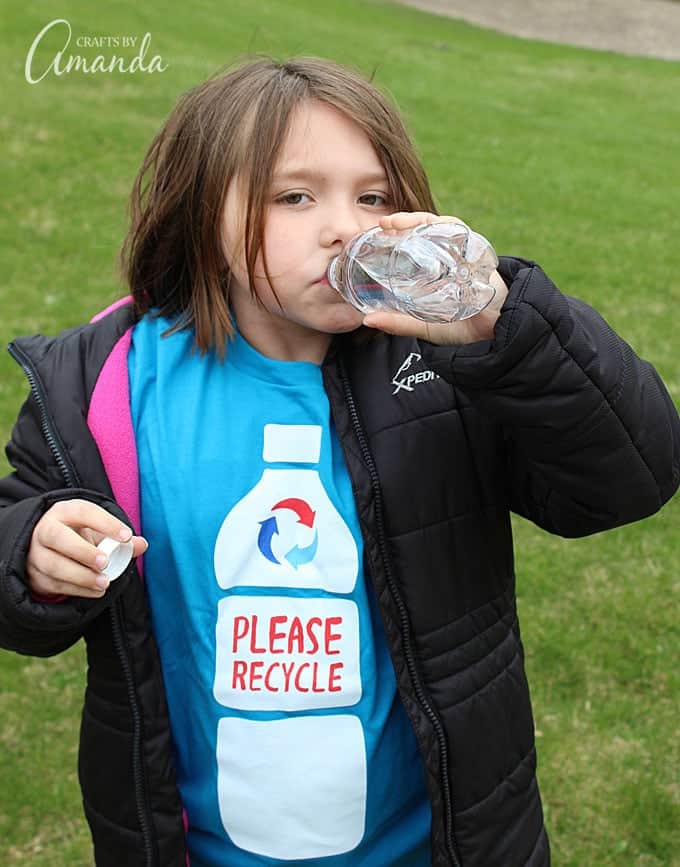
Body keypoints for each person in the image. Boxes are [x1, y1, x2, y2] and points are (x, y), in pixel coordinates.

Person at [0, 55, 678, 867]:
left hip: (437, 846)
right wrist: (31, 550)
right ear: (201, 210)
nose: (344, 227)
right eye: (296, 196)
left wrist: (510, 332)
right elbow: (15, 556)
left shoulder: (441, 370)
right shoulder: (104, 384)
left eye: (373, 197)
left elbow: (629, 477)